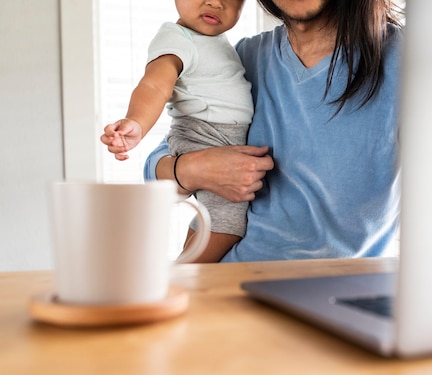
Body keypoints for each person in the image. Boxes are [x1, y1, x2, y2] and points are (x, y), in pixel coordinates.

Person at [144, 0, 404, 262]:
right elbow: (157, 169)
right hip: (219, 280)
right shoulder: (242, 59)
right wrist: (195, 169)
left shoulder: (407, 60)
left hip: (330, 292)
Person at [101, 0, 253, 262]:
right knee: (228, 223)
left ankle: (180, 268)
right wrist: (136, 122)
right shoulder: (177, 38)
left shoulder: (215, 41)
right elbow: (155, 86)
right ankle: (181, 278)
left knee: (212, 217)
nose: (215, 2)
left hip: (218, 136)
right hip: (204, 135)